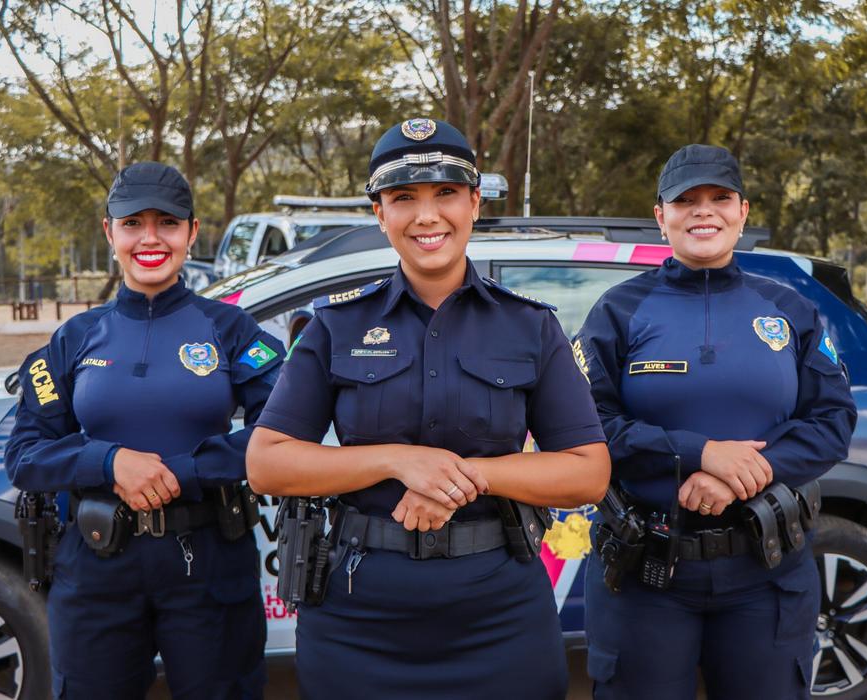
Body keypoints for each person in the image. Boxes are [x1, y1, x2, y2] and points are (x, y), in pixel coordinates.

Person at [246, 118, 611, 699]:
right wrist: (398, 461)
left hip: (501, 611)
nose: (426, 216)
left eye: (445, 192)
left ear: (473, 203)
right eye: (403, 198)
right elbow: (267, 463)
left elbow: (588, 471)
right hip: (359, 612)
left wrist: (464, 476)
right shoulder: (336, 325)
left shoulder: (530, 325)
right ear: (379, 213)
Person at [574, 144, 858, 699]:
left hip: (766, 571)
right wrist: (698, 453)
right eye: (686, 200)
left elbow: (833, 420)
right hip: (645, 573)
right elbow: (588, 426)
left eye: (719, 198)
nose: (703, 210)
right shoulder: (618, 310)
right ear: (661, 217)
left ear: (742, 212)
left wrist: (740, 474)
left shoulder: (789, 309)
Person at [5, 162, 283, 700]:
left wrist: (186, 471)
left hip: (210, 562)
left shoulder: (231, 329)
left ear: (192, 232)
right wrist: (108, 462)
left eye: (168, 223)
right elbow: (26, 455)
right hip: (97, 566)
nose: (150, 239)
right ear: (109, 232)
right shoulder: (74, 338)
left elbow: (279, 434)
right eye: (133, 223)